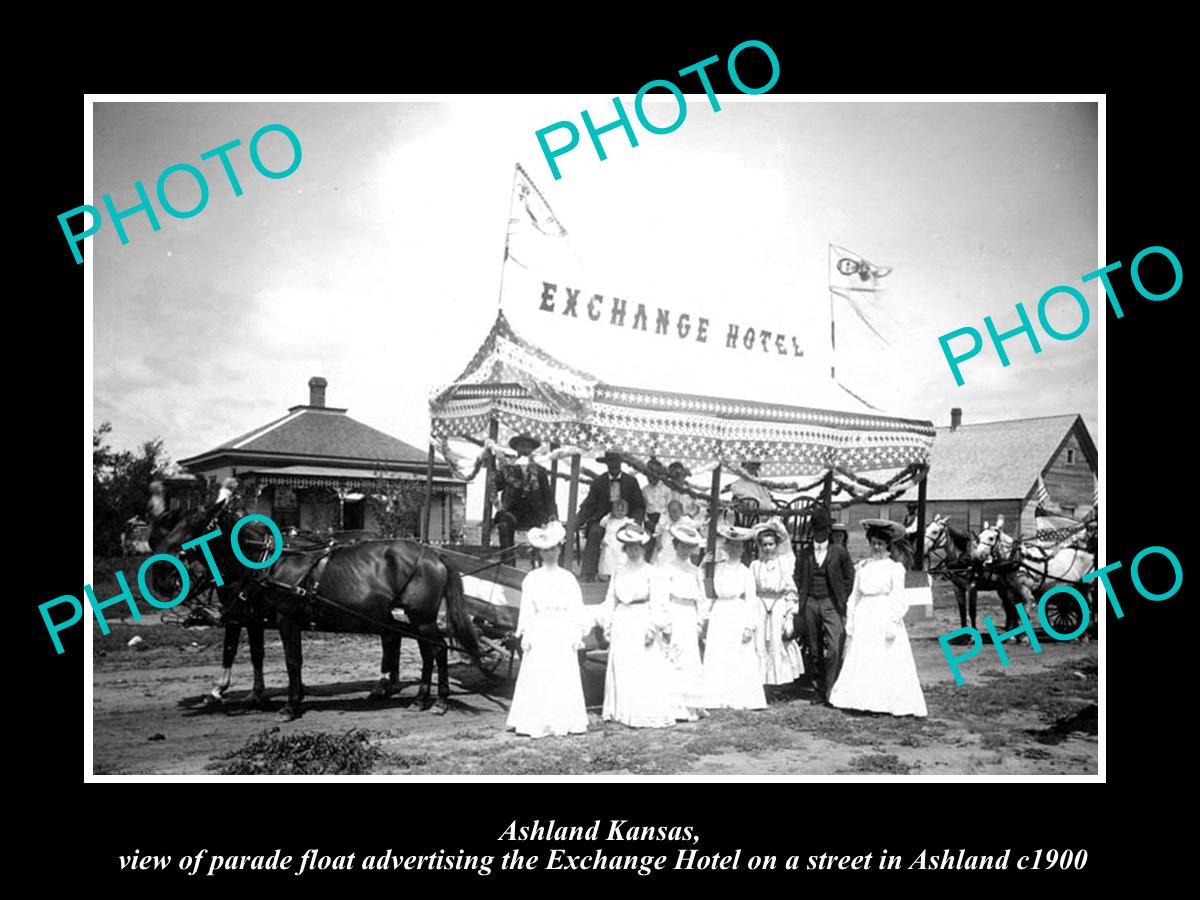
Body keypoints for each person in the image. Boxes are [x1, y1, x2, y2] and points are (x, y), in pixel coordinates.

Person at [829, 521, 928, 717]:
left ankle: (883, 703)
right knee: (864, 658)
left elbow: (899, 598)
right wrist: (851, 621)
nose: (876, 547)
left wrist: (893, 622)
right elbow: (854, 596)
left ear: (887, 546)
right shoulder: (863, 567)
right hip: (865, 614)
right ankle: (859, 700)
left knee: (884, 658)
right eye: (873, 543)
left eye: (880, 544)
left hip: (883, 614)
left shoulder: (894, 568)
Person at [506, 522, 590, 737]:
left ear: (559, 550)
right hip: (542, 629)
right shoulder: (533, 579)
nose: (550, 553)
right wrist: (525, 632)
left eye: (553, 549)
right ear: (540, 553)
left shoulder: (568, 578)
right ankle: (536, 720)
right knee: (540, 674)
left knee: (561, 674)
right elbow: (527, 609)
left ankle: (563, 719)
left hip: (561, 629)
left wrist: (576, 632)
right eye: (546, 550)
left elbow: (575, 608)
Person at [599, 523, 676, 728]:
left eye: (637, 546)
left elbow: (659, 601)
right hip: (623, 619)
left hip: (643, 618)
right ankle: (622, 711)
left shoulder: (652, 572)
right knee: (623, 664)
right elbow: (611, 599)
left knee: (643, 665)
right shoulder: (619, 571)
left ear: (643, 548)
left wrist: (653, 627)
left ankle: (642, 712)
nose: (633, 550)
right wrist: (608, 623)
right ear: (624, 549)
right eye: (629, 547)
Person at [793, 505, 856, 706]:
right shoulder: (804, 553)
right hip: (810, 603)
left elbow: (849, 577)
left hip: (831, 603)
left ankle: (832, 689)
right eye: (818, 529)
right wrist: (805, 598)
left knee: (835, 646)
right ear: (814, 531)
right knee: (814, 648)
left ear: (829, 531)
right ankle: (819, 691)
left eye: (825, 529)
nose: (822, 533)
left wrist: (840, 597)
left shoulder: (839, 552)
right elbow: (797, 576)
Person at [702, 522, 767, 710]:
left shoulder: (746, 573)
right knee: (718, 654)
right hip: (719, 613)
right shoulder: (717, 568)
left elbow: (751, 601)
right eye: (732, 545)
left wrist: (749, 626)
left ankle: (737, 696)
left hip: (737, 613)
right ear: (726, 547)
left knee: (737, 655)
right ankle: (715, 697)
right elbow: (705, 588)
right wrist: (703, 564)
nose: (735, 549)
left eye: (739, 546)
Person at [660, 522, 707, 721]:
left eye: (690, 546)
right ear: (675, 545)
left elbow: (701, 599)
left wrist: (699, 621)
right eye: (682, 545)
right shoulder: (666, 568)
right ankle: (675, 705)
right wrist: (666, 622)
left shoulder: (695, 571)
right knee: (674, 658)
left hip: (689, 615)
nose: (686, 550)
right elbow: (662, 596)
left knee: (690, 660)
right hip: (674, 612)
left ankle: (691, 704)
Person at [751, 519, 804, 698]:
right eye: (764, 545)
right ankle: (761, 682)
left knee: (776, 641)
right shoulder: (755, 566)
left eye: (771, 544)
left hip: (778, 604)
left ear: (776, 545)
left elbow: (791, 591)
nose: (768, 548)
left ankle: (779, 683)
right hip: (760, 605)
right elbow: (751, 591)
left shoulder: (785, 563)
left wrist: (789, 616)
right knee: (760, 642)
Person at [578, 451, 646, 581]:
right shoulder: (599, 481)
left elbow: (639, 506)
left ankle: (632, 573)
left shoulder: (631, 481)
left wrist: (634, 523)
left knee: (630, 537)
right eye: (610, 463)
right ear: (606, 464)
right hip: (604, 520)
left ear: (621, 463)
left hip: (626, 521)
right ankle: (587, 574)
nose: (613, 466)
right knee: (594, 532)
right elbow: (589, 504)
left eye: (616, 463)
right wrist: (576, 522)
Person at [495, 433, 557, 563]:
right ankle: (508, 564)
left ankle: (540, 563)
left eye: (528, 447)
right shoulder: (508, 468)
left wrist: (552, 513)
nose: (524, 450)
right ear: (516, 448)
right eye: (522, 446)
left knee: (545, 528)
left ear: (532, 450)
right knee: (504, 524)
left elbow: (548, 495)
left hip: (535, 512)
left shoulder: (540, 471)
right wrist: (497, 474)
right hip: (513, 511)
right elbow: (496, 486)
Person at [598, 498, 634, 579]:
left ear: (626, 511)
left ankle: (620, 575)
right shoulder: (610, 520)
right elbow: (601, 523)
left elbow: (632, 529)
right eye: (618, 511)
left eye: (622, 511)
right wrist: (609, 516)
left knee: (621, 559)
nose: (620, 513)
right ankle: (608, 574)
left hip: (620, 543)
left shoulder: (627, 521)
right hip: (609, 542)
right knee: (608, 559)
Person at [642, 457, 673, 536]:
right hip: (649, 520)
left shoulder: (666, 489)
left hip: (663, 521)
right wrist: (647, 521)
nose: (651, 477)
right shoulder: (644, 490)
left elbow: (669, 508)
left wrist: (661, 523)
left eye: (654, 473)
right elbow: (642, 507)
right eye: (649, 474)